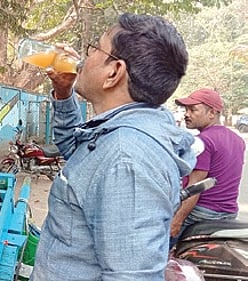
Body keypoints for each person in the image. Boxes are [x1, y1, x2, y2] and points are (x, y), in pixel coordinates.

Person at [30, 13, 196, 281]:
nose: (82, 59)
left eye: (94, 47)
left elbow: (130, 277)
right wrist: (63, 93)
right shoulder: (119, 137)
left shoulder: (125, 159)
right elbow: (79, 156)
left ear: (114, 71)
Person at [170, 88, 246, 245]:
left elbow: (195, 187)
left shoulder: (202, 142)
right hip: (229, 212)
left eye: (193, 109)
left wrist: (176, 221)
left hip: (202, 212)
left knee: (159, 244)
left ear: (212, 112)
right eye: (185, 110)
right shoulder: (238, 140)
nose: (186, 114)